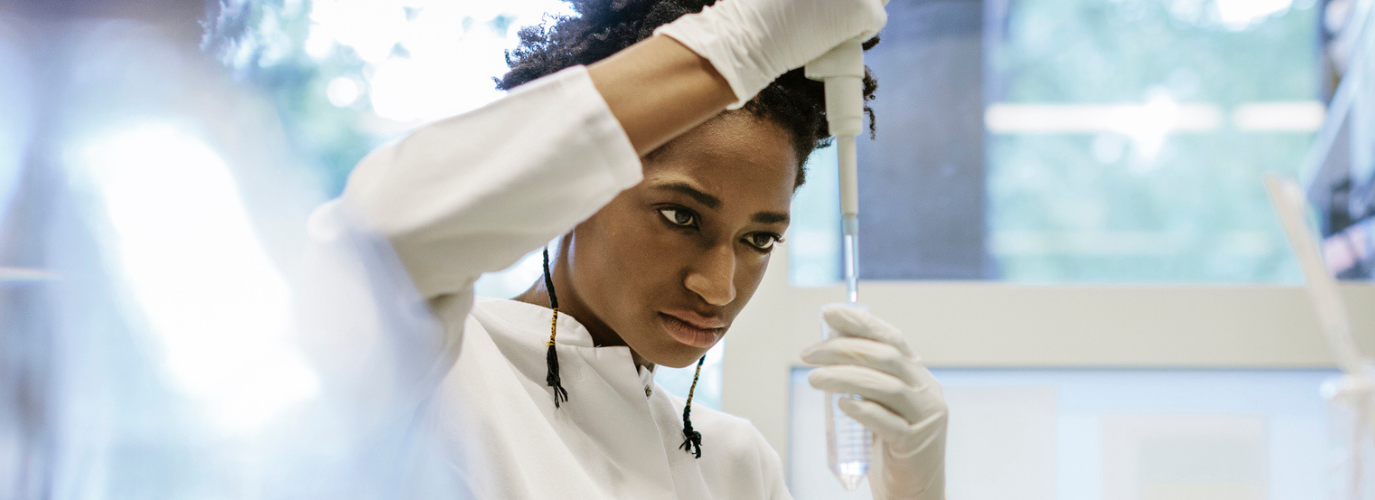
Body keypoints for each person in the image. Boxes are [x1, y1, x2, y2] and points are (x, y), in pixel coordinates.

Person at [320, 0, 948, 497]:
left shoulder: (736, 468)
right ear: (576, 185)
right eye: (680, 215)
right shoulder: (437, 366)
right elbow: (379, 229)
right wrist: (734, 47)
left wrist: (914, 494)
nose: (720, 286)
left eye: (759, 239)